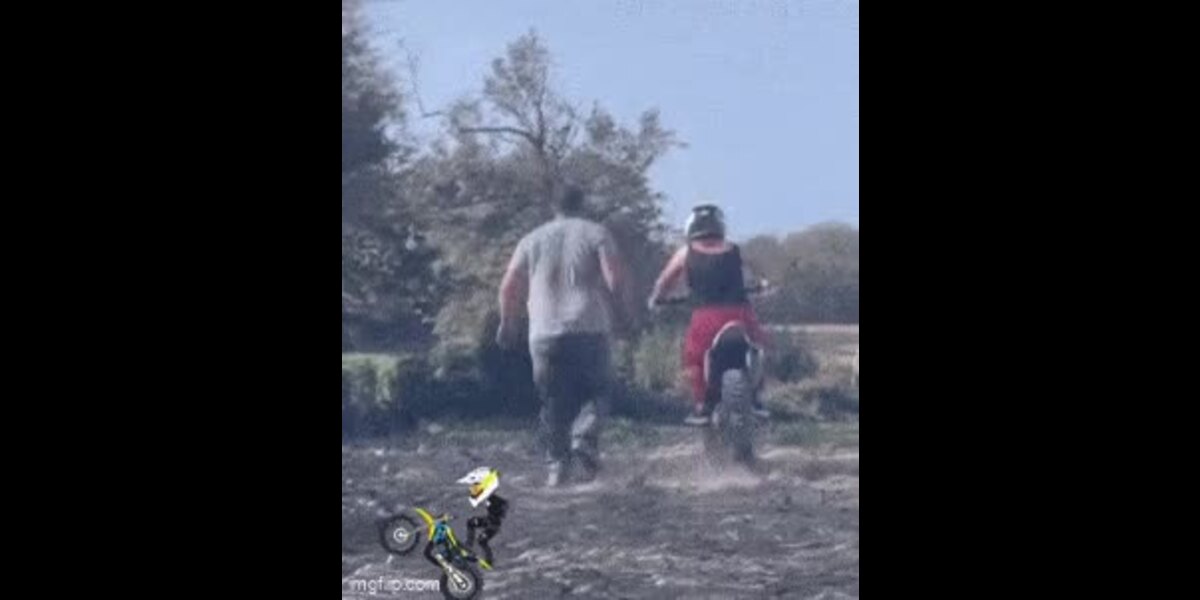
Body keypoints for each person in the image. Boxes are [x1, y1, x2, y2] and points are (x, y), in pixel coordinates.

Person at [496, 186, 632, 487]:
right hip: (588, 328)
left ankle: (557, 467)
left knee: (553, 402)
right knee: (598, 391)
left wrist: (507, 323)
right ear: (582, 204)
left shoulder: (531, 239)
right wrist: (623, 315)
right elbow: (614, 279)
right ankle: (584, 438)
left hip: (543, 332)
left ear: (553, 207)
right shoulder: (596, 233)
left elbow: (508, 287)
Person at [647, 204, 771, 426]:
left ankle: (702, 405)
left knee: (693, 358)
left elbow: (664, 281)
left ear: (691, 227)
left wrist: (656, 299)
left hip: (706, 317)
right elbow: (757, 278)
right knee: (758, 347)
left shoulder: (685, 253)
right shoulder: (734, 249)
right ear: (720, 226)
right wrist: (762, 286)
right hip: (740, 313)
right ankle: (758, 398)